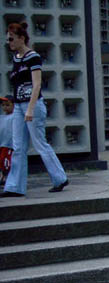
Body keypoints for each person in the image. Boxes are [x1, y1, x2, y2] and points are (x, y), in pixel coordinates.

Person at [2, 22, 68, 198]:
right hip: (18, 105)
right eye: (8, 39)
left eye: (11, 39)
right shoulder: (16, 58)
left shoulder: (33, 57)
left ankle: (59, 178)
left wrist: (30, 110)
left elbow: (37, 84)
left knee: (39, 143)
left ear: (21, 38)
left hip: (33, 105)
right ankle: (14, 187)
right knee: (18, 146)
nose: (9, 42)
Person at [0, 95, 15, 187]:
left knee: (5, 161)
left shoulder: (15, 117)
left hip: (8, 144)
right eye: (3, 105)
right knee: (1, 161)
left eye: (7, 105)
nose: (5, 107)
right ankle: (3, 176)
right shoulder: (1, 117)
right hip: (2, 143)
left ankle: (6, 177)